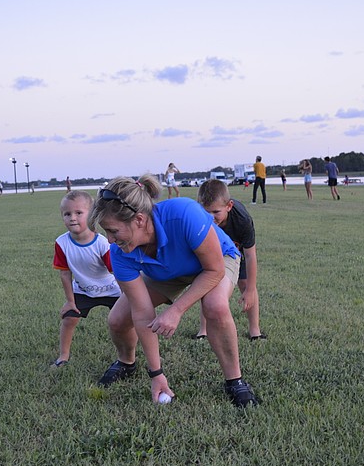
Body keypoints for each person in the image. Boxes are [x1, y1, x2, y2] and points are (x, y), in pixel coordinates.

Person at [89, 174, 260, 407]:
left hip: (216, 261)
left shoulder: (183, 214)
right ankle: (127, 363)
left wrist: (176, 310)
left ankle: (235, 380)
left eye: (113, 231)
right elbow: (142, 313)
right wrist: (156, 373)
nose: (109, 240)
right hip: (168, 271)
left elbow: (213, 271)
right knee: (118, 319)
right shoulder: (120, 253)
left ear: (139, 220)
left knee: (215, 306)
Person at [51, 191, 122, 367]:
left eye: (78, 213)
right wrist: (69, 301)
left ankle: (128, 353)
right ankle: (63, 356)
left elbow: (117, 272)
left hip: (112, 290)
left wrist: (128, 297)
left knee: (126, 320)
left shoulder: (102, 243)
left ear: (91, 215)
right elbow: (65, 273)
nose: (72, 218)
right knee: (69, 318)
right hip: (83, 290)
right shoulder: (62, 243)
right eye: (67, 214)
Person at [197, 179, 265, 341]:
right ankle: (203, 330)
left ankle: (255, 330)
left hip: (237, 251)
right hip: (212, 250)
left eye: (216, 212)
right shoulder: (198, 219)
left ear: (229, 206)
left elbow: (250, 256)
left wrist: (249, 289)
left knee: (244, 283)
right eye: (206, 212)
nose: (211, 218)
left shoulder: (242, 221)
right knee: (207, 285)